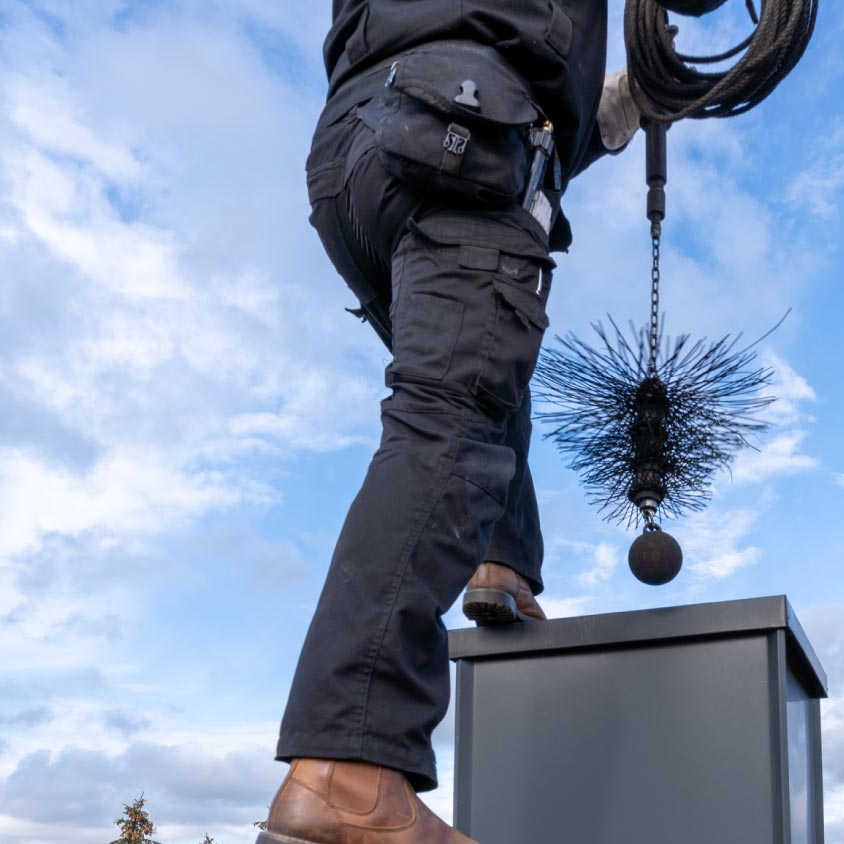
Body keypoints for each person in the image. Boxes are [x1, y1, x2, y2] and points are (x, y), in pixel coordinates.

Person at [260, 3, 641, 843]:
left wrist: (617, 104)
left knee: (478, 372)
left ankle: (502, 564)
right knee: (451, 418)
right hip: (463, 123)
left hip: (358, 153)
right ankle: (345, 770)